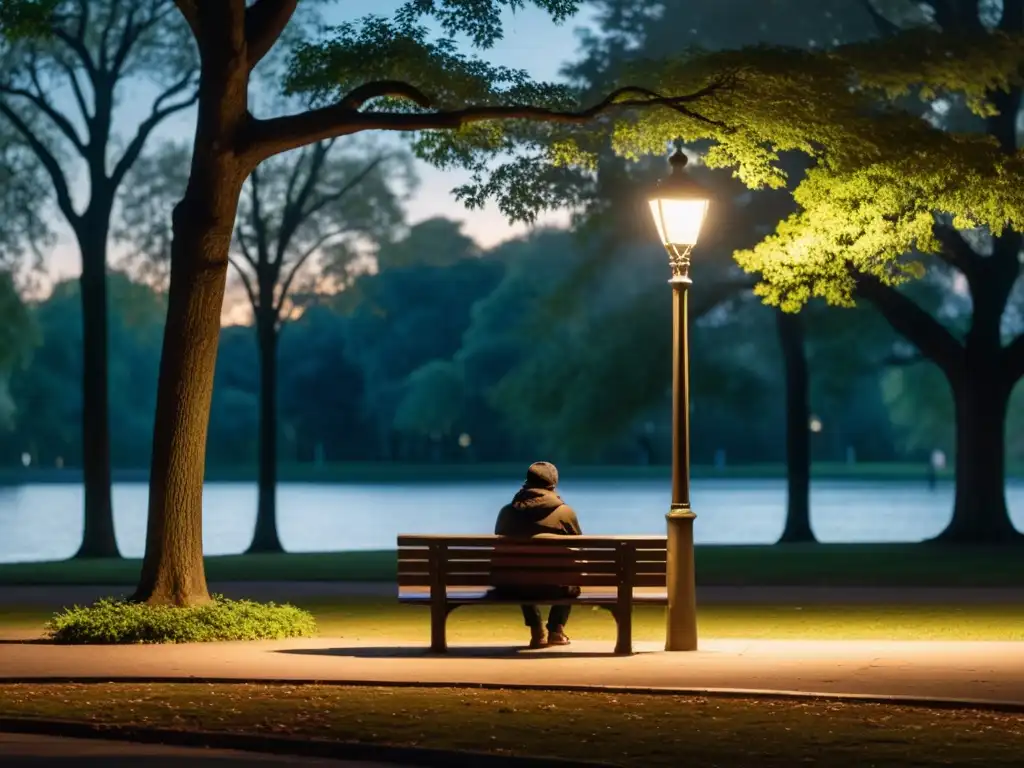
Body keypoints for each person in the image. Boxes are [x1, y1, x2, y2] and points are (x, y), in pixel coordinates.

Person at [493, 461, 583, 649]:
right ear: (552, 485)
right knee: (571, 574)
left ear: (527, 482)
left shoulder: (508, 512)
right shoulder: (565, 513)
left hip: (515, 587)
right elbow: (579, 548)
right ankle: (556, 630)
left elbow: (500, 553)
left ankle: (536, 630)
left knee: (518, 572)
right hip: (556, 588)